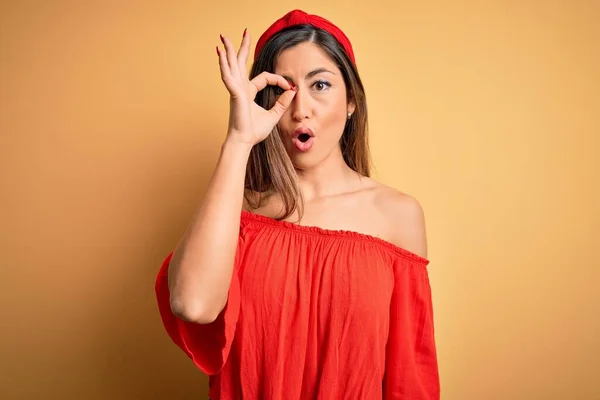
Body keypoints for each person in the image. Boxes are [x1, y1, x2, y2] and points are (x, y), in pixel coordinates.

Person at [155, 9, 440, 399]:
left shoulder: (397, 216)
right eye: (283, 89)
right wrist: (239, 140)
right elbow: (192, 304)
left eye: (320, 85)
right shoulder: (236, 213)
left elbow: (411, 377)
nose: (300, 108)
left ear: (352, 101)